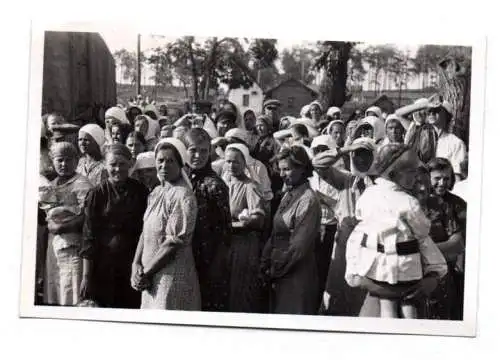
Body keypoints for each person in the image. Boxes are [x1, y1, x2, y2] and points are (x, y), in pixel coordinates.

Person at [344, 144, 448, 318]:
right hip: (405, 268)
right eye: (411, 173)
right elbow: (422, 231)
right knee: (407, 307)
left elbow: (360, 219)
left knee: (388, 304)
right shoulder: (409, 203)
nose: (416, 177)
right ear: (394, 175)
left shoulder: (368, 195)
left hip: (377, 268)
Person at [131, 138, 201, 310]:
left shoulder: (183, 196)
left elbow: (173, 243)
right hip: (149, 275)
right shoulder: (156, 192)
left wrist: (146, 272)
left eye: (170, 161)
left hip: (170, 275)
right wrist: (136, 264)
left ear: (180, 164)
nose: (164, 165)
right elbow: (145, 232)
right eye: (160, 160)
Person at [312, 138, 378, 316]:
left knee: (363, 297)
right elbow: (317, 164)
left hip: (370, 248)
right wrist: (346, 149)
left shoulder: (382, 183)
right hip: (344, 245)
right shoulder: (347, 180)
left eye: (366, 155)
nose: (361, 160)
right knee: (338, 292)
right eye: (356, 155)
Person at [80, 144, 149, 308]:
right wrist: (86, 276)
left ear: (130, 164)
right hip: (104, 265)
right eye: (113, 164)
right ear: (105, 164)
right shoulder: (96, 194)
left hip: (133, 263)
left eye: (122, 164)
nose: (118, 169)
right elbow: (88, 236)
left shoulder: (140, 191)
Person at [261, 146, 321, 314]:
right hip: (280, 271)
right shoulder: (289, 193)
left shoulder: (308, 200)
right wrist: (265, 261)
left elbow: (298, 247)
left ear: (302, 168)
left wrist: (275, 269)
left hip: (296, 274)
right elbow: (275, 233)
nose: (281, 175)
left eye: (286, 169)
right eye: (280, 170)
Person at [184, 128, 232, 312]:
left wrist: (216, 267)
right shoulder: (181, 180)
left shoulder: (215, 185)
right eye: (193, 150)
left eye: (204, 151)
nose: (198, 155)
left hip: (208, 260)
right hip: (183, 258)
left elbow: (225, 233)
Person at [39, 142, 93, 305]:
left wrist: (62, 226)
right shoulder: (51, 185)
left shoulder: (82, 183)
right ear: (53, 161)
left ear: (77, 161)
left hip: (73, 246)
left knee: (72, 290)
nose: (64, 164)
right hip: (54, 246)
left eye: (69, 160)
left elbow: (88, 216)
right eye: (59, 160)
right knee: (56, 288)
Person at [422, 157, 467, 320]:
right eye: (437, 178)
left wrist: (422, 253)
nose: (442, 183)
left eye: (446, 179)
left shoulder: (456, 204)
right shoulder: (416, 200)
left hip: (446, 270)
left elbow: (457, 244)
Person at [224, 143, 266, 313]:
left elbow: (259, 219)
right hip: (227, 244)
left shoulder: (250, 186)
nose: (231, 166)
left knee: (240, 291)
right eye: (228, 162)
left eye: (236, 162)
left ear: (244, 163)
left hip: (243, 245)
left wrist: (237, 223)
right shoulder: (224, 184)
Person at [309, 136, 340, 309]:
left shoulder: (340, 176)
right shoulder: (311, 176)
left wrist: (322, 199)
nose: (320, 155)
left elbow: (342, 205)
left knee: (327, 270)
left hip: (331, 227)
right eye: (317, 151)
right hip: (313, 227)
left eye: (324, 150)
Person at [427, 100, 467, 182]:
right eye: (429, 111)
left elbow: (457, 176)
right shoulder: (422, 140)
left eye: (436, 110)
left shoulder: (456, 143)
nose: (431, 113)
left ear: (446, 116)